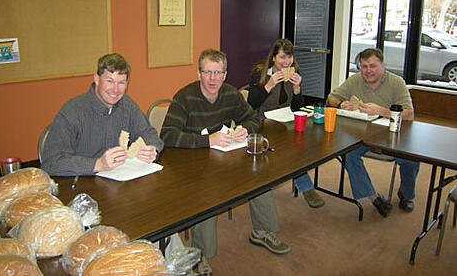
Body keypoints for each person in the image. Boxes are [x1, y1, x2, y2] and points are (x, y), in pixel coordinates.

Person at [161, 49, 291, 276]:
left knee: (258, 176)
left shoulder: (230, 94)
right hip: (191, 164)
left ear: (225, 74)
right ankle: (201, 254)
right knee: (208, 194)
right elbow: (167, 135)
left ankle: (262, 232)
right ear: (199, 73)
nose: (212, 78)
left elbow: (253, 118)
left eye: (217, 73)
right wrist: (205, 141)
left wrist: (244, 129)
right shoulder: (185, 96)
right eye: (207, 72)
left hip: (223, 158)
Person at [326, 48, 419, 217]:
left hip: (391, 135)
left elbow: (409, 114)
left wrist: (382, 110)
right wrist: (340, 104)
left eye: (372, 66)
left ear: (382, 65)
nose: (368, 71)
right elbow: (331, 98)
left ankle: (406, 194)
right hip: (362, 134)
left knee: (411, 159)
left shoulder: (396, 82)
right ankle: (373, 197)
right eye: (363, 66)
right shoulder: (355, 80)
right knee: (348, 154)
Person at [41, 53, 163, 176]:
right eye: (110, 81)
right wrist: (98, 164)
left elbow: (149, 134)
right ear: (97, 79)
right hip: (82, 184)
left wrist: (152, 150)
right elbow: (51, 162)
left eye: (121, 83)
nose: (115, 90)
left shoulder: (127, 105)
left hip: (120, 181)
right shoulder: (73, 110)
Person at [247, 39, 325, 208]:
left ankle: (305, 187)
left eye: (289, 57)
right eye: (282, 57)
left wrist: (297, 89)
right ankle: (304, 186)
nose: (286, 62)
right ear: (273, 58)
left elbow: (296, 106)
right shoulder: (260, 72)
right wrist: (269, 84)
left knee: (301, 145)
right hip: (263, 121)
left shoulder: (294, 71)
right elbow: (252, 103)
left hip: (284, 119)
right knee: (289, 148)